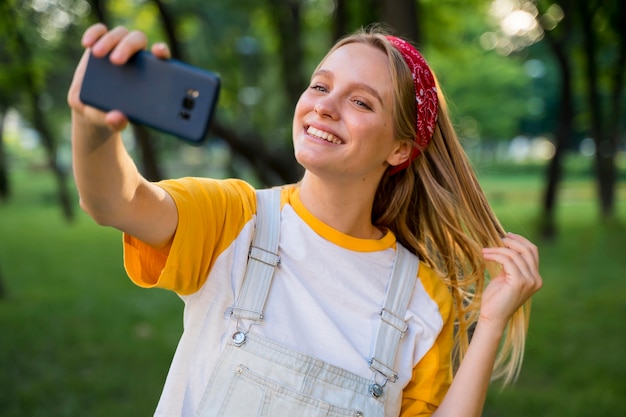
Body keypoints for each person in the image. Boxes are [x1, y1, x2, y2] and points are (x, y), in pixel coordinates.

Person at [68, 23, 542, 417]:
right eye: (321, 85)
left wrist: (493, 323)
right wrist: (92, 128)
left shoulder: (422, 296)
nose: (325, 106)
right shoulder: (236, 218)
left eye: (361, 102)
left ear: (400, 149)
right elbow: (118, 201)